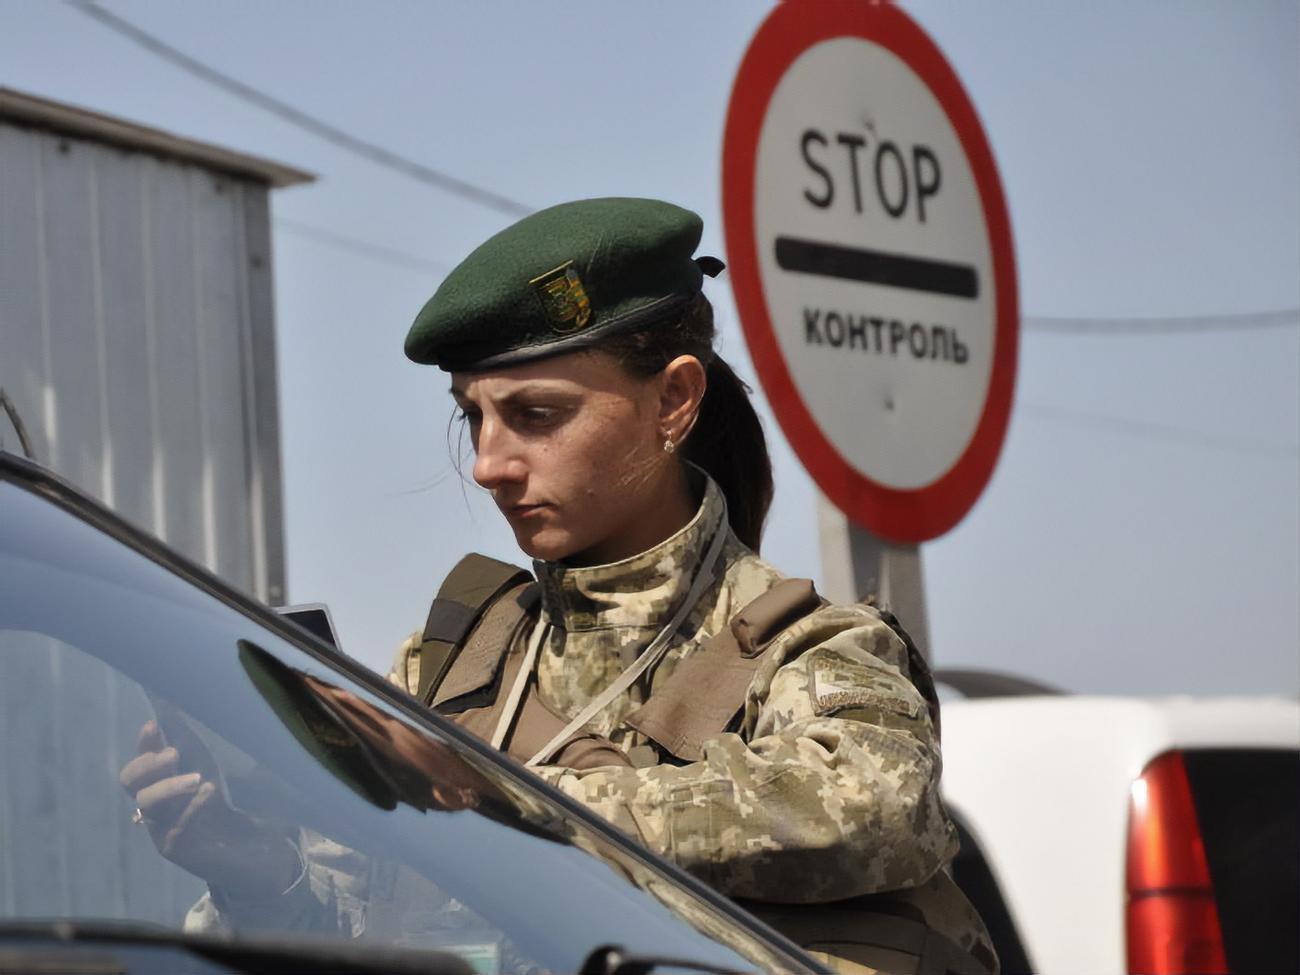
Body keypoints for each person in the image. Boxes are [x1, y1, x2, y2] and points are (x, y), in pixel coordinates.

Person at [121, 197, 995, 974]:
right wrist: (253, 870)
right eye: (474, 417)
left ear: (673, 401)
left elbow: (872, 811)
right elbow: (361, 936)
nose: (491, 464)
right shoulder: (448, 672)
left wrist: (491, 796)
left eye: (537, 415)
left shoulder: (813, 648)